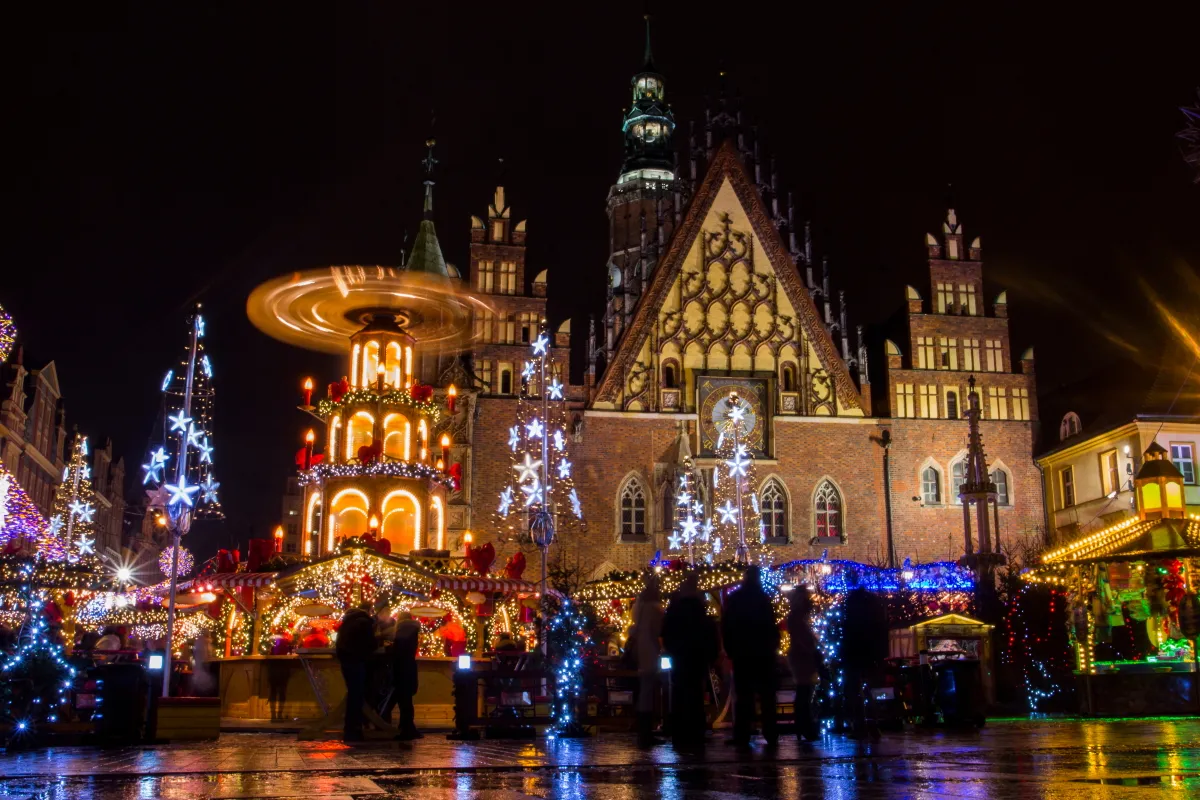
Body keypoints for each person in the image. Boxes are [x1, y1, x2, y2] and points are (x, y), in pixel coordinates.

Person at [722, 565, 781, 749]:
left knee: (744, 696)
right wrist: (772, 647)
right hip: (763, 653)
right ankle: (770, 732)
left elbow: (727, 627)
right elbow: (771, 627)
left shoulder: (736, 599)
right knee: (767, 696)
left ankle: (743, 734)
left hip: (743, 653)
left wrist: (731, 649)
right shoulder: (763, 599)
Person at [661, 572, 719, 749]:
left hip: (680, 658)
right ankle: (696, 732)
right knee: (695, 695)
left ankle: (680, 732)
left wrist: (672, 651)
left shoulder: (674, 613)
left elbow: (666, 633)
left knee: (679, 694)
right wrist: (710, 655)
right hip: (697, 658)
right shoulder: (700, 613)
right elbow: (710, 635)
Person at [841, 571, 888, 740]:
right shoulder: (872, 603)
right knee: (869, 690)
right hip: (870, 652)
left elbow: (847, 629)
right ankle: (873, 725)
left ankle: (860, 726)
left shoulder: (851, 603)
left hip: (855, 653)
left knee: (856, 691)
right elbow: (881, 629)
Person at [632, 573, 665, 748]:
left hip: (641, 651)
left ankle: (643, 731)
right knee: (648, 691)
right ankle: (646, 732)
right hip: (651, 651)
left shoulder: (639, 605)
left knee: (644, 691)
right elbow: (659, 630)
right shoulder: (654, 607)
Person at [335, 602, 376, 742]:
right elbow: (370, 644)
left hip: (346, 661)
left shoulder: (347, 623)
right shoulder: (365, 623)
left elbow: (339, 644)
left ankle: (350, 728)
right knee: (357, 695)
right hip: (357, 661)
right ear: (369, 611)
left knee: (353, 694)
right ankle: (354, 729)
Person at [785, 587, 822, 742]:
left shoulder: (796, 618)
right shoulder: (798, 619)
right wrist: (811, 648)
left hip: (801, 656)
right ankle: (805, 726)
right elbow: (801, 639)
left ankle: (804, 725)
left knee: (804, 691)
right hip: (802, 657)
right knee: (804, 692)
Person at [389, 610, 422, 740]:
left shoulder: (403, 630)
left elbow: (399, 649)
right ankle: (407, 727)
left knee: (403, 699)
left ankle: (406, 728)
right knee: (406, 699)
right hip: (408, 667)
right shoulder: (412, 630)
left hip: (401, 668)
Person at [191, 630, 217, 697]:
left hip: (199, 669)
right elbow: (208, 656)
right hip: (205, 668)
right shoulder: (207, 643)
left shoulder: (198, 643)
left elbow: (196, 655)